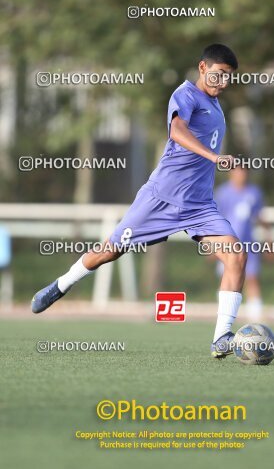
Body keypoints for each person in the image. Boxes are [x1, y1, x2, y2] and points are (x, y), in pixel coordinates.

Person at [31, 43, 247, 358]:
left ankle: (221, 338)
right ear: (203, 68)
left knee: (236, 256)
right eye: (219, 75)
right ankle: (61, 285)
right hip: (160, 199)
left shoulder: (216, 107)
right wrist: (214, 157)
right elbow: (176, 131)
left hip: (199, 207)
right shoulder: (185, 95)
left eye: (229, 77)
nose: (224, 82)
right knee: (108, 252)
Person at [215, 166, 271, 321]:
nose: (241, 174)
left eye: (244, 171)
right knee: (228, 279)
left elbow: (260, 217)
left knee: (252, 278)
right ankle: (224, 316)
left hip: (248, 245)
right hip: (227, 244)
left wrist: (269, 241)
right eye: (238, 171)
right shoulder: (223, 193)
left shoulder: (254, 193)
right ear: (231, 173)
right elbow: (217, 218)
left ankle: (256, 318)